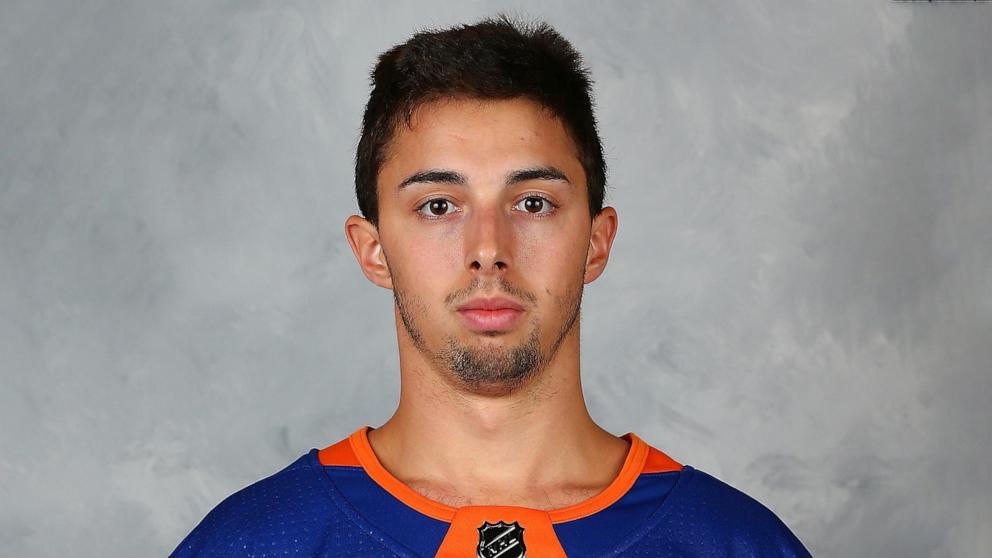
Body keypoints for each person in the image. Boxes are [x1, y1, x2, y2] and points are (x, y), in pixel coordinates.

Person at [170, 15, 812, 558]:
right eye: (438, 206)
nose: (488, 251)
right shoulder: (254, 544)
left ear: (596, 242)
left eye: (532, 203)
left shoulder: (736, 544)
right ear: (373, 251)